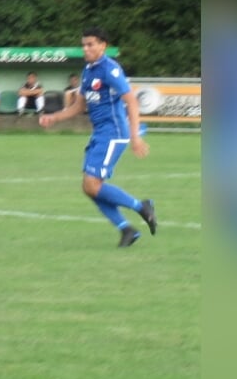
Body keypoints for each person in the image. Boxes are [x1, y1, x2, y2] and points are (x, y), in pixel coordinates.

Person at [40, 27, 157, 247]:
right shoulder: (88, 71)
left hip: (114, 132)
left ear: (103, 45)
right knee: (90, 187)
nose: (86, 48)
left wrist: (135, 136)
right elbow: (78, 106)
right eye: (83, 44)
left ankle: (141, 207)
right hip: (100, 133)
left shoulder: (110, 69)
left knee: (92, 185)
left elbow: (131, 101)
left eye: (91, 44)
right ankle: (126, 229)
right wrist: (54, 117)